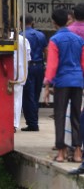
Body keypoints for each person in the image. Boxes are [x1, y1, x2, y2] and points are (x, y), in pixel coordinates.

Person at [42, 9, 84, 164]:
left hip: (62, 82)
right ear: (67, 21)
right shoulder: (79, 40)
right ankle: (78, 152)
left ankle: (61, 153)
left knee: (59, 116)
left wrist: (47, 84)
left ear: (53, 23)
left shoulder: (55, 40)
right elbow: (83, 63)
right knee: (76, 117)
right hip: (77, 81)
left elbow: (52, 65)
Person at [21, 15, 48, 131]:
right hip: (40, 67)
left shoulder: (21, 36)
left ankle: (32, 123)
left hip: (28, 67)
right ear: (32, 22)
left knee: (28, 96)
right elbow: (46, 50)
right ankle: (34, 120)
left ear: (21, 22)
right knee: (36, 95)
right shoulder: (41, 35)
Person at [14, 32, 31, 132]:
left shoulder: (6, 39)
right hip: (20, 74)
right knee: (17, 99)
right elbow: (28, 58)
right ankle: (14, 124)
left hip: (6, 72)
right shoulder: (24, 40)